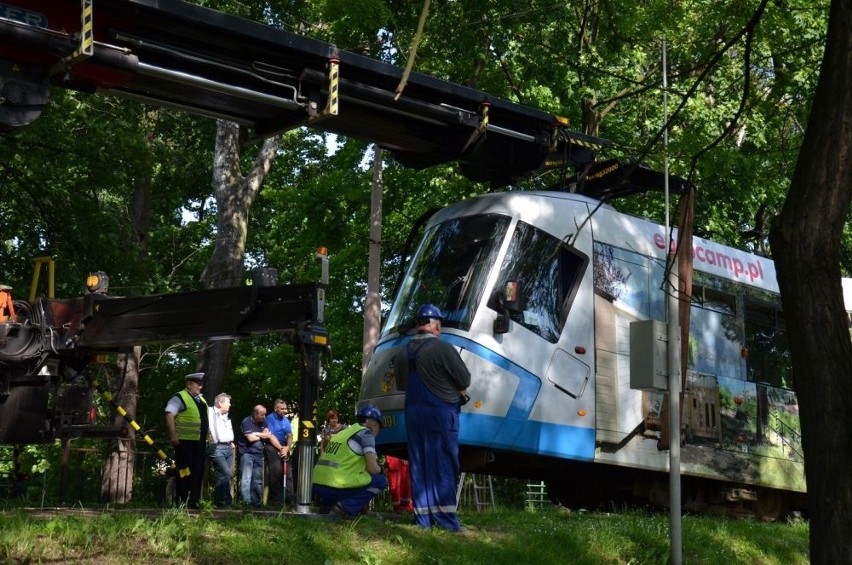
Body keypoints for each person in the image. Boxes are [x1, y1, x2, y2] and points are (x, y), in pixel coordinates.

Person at [394, 304, 471, 531]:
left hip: (413, 413)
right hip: (440, 413)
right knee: (443, 463)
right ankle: (446, 521)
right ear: (436, 325)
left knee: (420, 464)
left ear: (419, 324)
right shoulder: (443, 348)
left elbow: (402, 384)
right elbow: (464, 380)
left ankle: (423, 520)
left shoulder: (403, 351)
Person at [312, 404, 388, 517]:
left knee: (361, 477)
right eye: (378, 427)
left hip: (318, 485)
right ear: (372, 424)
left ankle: (328, 505)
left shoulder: (344, 432)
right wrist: (382, 470)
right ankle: (344, 508)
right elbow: (373, 469)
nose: (378, 431)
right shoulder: (366, 433)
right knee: (380, 481)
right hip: (335, 487)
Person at [164, 372, 209, 509]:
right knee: (184, 472)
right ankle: (182, 501)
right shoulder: (179, 398)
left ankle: (193, 501)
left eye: (201, 384)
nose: (200, 387)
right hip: (184, 442)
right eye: (198, 384)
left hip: (199, 442)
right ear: (189, 384)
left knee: (198, 471)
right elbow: (169, 414)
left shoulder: (202, 400)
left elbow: (203, 421)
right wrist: (173, 436)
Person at [238, 404, 272, 508]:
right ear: (255, 414)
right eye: (262, 415)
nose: (264, 417)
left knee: (257, 480)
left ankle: (256, 503)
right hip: (247, 453)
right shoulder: (246, 422)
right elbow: (250, 439)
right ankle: (246, 502)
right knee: (246, 479)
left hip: (259, 454)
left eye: (265, 415)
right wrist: (261, 434)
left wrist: (256, 434)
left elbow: (268, 434)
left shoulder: (264, 421)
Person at [264, 399, 294, 507]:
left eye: (285, 409)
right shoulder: (269, 419)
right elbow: (271, 436)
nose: (284, 411)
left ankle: (290, 499)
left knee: (288, 472)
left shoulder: (286, 421)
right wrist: (281, 448)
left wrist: (287, 448)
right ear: (275, 409)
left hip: (284, 446)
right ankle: (277, 500)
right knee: (276, 471)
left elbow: (290, 436)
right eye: (282, 409)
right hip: (272, 445)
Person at [207, 392, 235, 507]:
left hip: (228, 447)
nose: (230, 405)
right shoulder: (209, 412)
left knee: (223, 475)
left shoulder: (226, 415)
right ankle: (223, 501)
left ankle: (223, 502)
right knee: (226, 473)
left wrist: (230, 441)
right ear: (220, 403)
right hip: (216, 447)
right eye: (228, 402)